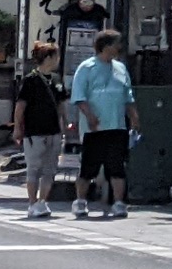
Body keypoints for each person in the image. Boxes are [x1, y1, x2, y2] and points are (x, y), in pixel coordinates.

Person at [68, 29, 134, 219]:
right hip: (94, 127)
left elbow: (128, 94)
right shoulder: (86, 67)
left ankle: (119, 203)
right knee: (89, 167)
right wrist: (89, 116)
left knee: (117, 166)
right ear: (106, 46)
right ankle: (80, 201)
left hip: (118, 125)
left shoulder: (120, 68)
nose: (119, 48)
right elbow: (79, 96)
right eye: (116, 44)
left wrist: (134, 117)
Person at [13, 38, 67, 218]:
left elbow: (61, 104)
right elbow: (20, 106)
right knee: (34, 168)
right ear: (49, 57)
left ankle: (43, 202)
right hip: (34, 131)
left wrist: (64, 124)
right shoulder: (30, 80)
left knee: (50, 170)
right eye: (56, 55)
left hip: (53, 130)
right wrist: (18, 128)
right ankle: (31, 203)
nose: (58, 59)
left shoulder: (57, 79)